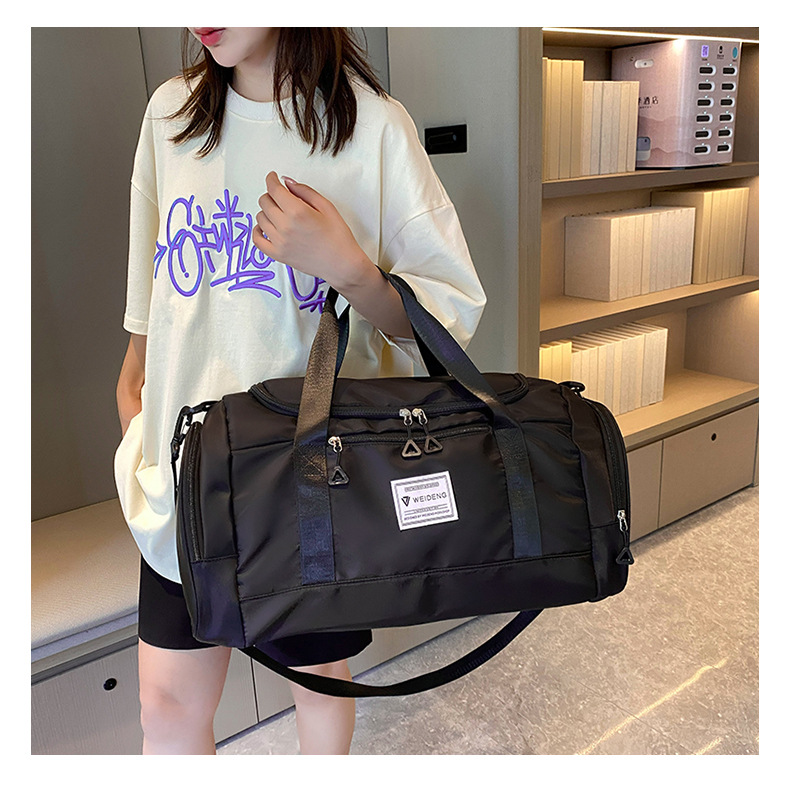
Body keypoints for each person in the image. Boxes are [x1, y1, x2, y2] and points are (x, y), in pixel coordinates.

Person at [114, 27, 486, 755]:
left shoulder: (373, 126)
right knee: (165, 704)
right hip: (186, 481)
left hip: (310, 483)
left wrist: (349, 269)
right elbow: (149, 293)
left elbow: (444, 321)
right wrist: (132, 405)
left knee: (317, 683)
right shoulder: (170, 115)